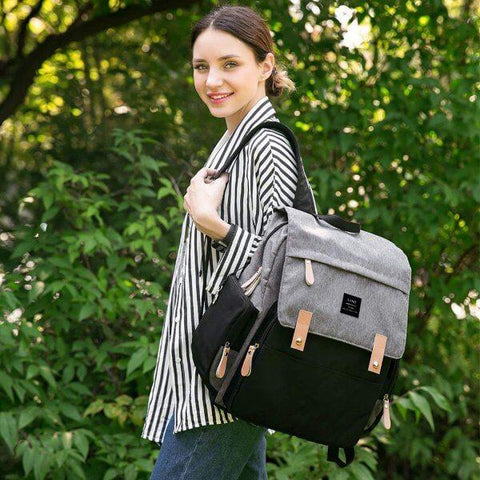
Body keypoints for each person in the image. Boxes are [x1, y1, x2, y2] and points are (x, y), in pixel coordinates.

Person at [142, 5, 303, 479]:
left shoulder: (264, 145)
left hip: (229, 371)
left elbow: (285, 265)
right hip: (218, 372)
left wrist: (214, 224)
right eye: (201, 66)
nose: (212, 79)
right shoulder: (232, 142)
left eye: (230, 64)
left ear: (265, 66)